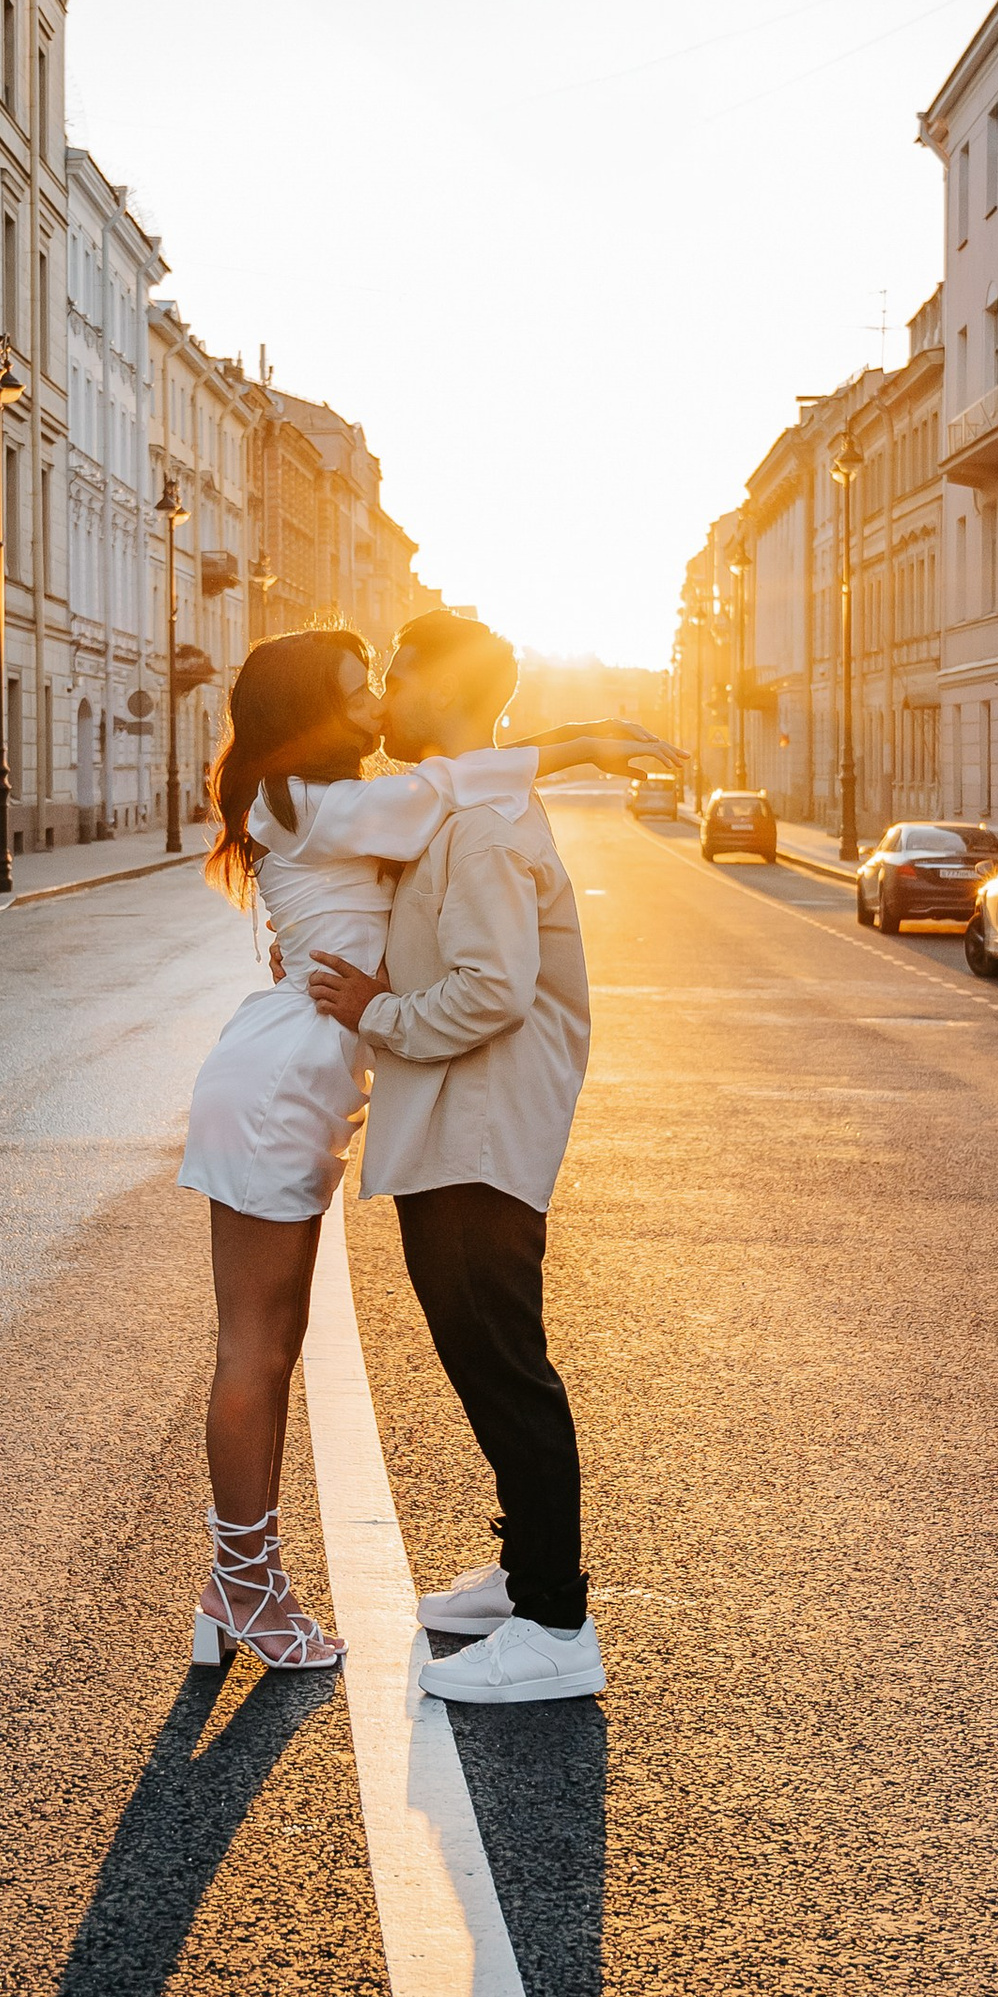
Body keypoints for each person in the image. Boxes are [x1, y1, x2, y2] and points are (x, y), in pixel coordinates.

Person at [308, 614, 671, 1708]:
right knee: (484, 1361)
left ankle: (556, 1622)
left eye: (397, 672)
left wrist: (375, 1010)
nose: (384, 693)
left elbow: (491, 990)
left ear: (445, 688)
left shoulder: (479, 828)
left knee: (505, 1367)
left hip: (478, 1128)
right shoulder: (465, 803)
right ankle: (525, 1576)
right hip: (461, 1122)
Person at [176, 631, 543, 1674]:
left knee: (272, 1344)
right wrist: (578, 744)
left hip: (299, 1082)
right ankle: (244, 1587)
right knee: (254, 1348)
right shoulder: (306, 800)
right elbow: (450, 787)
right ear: (308, 716)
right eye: (354, 696)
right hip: (277, 1087)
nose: (377, 709)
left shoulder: (318, 801)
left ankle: (240, 1586)